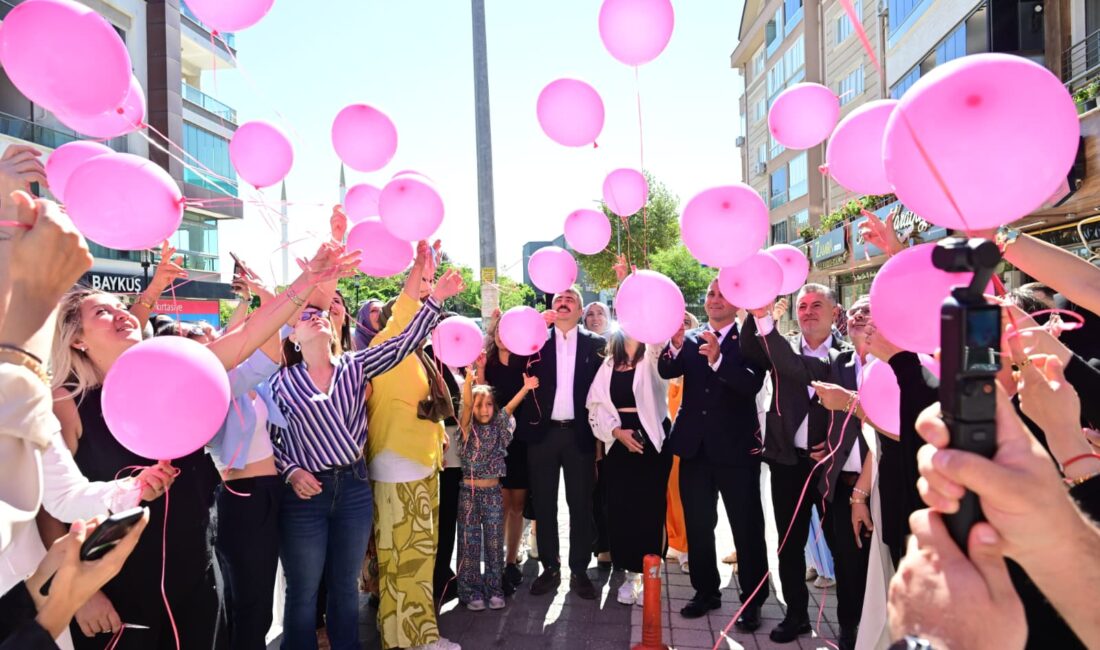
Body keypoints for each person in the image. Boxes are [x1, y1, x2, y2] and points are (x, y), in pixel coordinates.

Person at [51, 240, 358, 650]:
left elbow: (253, 334)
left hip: (194, 577)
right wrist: (81, 593)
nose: (121, 313)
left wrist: (310, 279)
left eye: (121, 305)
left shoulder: (179, 375)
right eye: (102, 312)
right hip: (115, 592)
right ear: (76, 340)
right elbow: (47, 505)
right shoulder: (66, 404)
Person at [273, 242, 462, 650]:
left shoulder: (355, 367)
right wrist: (290, 470)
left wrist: (434, 295)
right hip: (308, 493)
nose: (318, 318)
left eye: (321, 314)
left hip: (355, 486)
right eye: (307, 317)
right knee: (303, 591)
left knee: (345, 587)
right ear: (292, 335)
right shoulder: (280, 383)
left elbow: (403, 339)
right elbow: (273, 439)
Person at [0, 189, 154, 649]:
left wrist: (132, 489)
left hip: (25, 603)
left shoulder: (33, 395)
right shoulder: (37, 390)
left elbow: (64, 495)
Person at [741, 284, 867, 645]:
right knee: (788, 544)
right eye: (803, 305)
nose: (809, 311)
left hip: (835, 468)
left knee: (844, 548)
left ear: (835, 312)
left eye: (817, 305)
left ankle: (850, 624)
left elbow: (854, 407)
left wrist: (834, 445)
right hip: (788, 464)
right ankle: (796, 615)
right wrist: (756, 312)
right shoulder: (782, 347)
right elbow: (752, 348)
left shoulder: (849, 354)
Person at [658, 279, 768, 626]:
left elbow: (751, 384)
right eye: (710, 294)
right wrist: (674, 344)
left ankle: (752, 600)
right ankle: (705, 591)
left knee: (747, 528)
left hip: (736, 451)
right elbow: (666, 369)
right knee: (699, 526)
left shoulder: (751, 340)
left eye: (722, 294)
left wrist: (720, 362)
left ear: (737, 303)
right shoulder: (690, 339)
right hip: (694, 450)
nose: (715, 299)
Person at [518, 286, 606, 599]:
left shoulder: (597, 344)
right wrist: (534, 327)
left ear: (581, 311)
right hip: (542, 436)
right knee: (544, 504)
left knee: (580, 505)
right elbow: (516, 364)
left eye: (571, 299)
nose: (564, 301)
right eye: (559, 299)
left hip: (579, 435)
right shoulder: (535, 341)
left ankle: (579, 570)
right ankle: (550, 569)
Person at [586, 329, 671, 605]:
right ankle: (631, 575)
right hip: (619, 443)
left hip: (652, 443)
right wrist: (617, 432)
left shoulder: (654, 355)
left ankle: (651, 577)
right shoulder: (609, 363)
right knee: (621, 509)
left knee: (651, 509)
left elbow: (668, 367)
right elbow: (595, 405)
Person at [456, 362, 537, 610]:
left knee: (493, 543)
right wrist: (470, 381)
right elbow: (468, 406)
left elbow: (511, 407)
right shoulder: (466, 429)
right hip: (469, 494)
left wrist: (525, 388)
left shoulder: (499, 426)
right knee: (469, 543)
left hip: (492, 493)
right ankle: (471, 591)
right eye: (479, 405)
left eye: (489, 404)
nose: (484, 409)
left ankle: (494, 588)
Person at [478, 310, 531, 593]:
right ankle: (495, 562)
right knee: (498, 505)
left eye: (506, 329)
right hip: (495, 443)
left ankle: (512, 561)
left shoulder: (526, 363)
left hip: (521, 441)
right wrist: (482, 369)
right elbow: (480, 397)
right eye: (497, 330)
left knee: (517, 505)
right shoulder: (489, 364)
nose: (501, 334)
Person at [665, 311, 698, 574]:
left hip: (688, 439)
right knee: (667, 494)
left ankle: (688, 547)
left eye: (687, 323)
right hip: (662, 438)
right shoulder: (665, 361)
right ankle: (673, 543)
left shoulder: (700, 360)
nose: (681, 327)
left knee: (684, 495)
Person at [582, 301, 613, 569]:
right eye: (589, 314)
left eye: (600, 313)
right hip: (589, 429)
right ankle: (602, 546)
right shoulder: (583, 346)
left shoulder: (619, 343)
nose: (594, 318)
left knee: (614, 490)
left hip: (616, 428)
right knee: (595, 491)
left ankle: (616, 544)